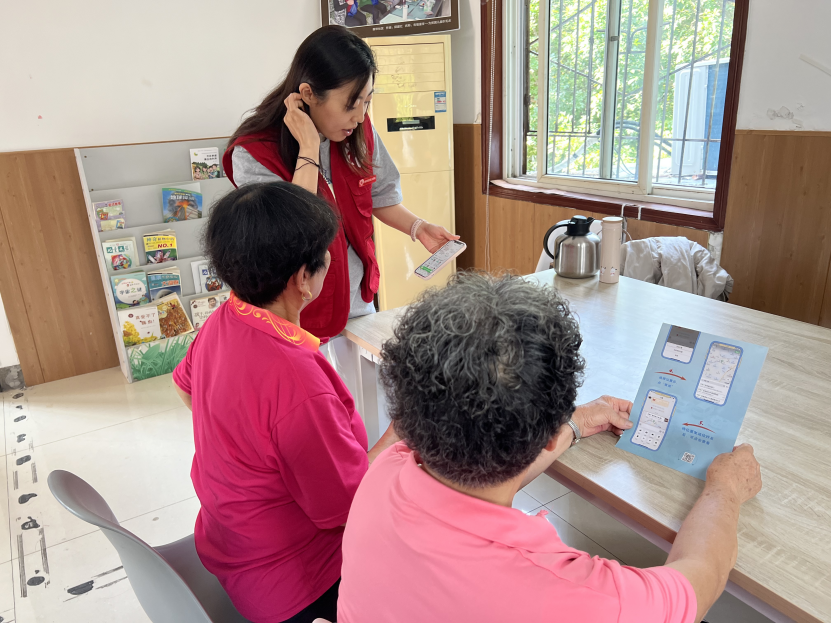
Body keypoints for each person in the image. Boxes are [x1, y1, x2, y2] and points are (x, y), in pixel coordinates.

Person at [338, 272, 763, 623]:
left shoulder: (382, 474)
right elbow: (702, 578)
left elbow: (481, 473)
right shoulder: (582, 597)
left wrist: (574, 424)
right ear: (548, 436)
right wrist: (725, 489)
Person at [173, 182, 398, 623]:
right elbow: (347, 506)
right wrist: (400, 432)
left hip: (230, 544)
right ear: (302, 280)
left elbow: (185, 388)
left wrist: (241, 449)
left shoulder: (224, 318)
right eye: (327, 255)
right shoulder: (298, 382)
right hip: (297, 587)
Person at [223, 25, 457, 345]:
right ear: (308, 94)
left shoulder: (355, 130)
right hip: (298, 315)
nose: (359, 117)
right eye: (350, 103)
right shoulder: (255, 152)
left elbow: (379, 195)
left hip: (358, 305)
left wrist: (418, 227)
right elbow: (295, 234)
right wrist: (308, 148)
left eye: (367, 101)